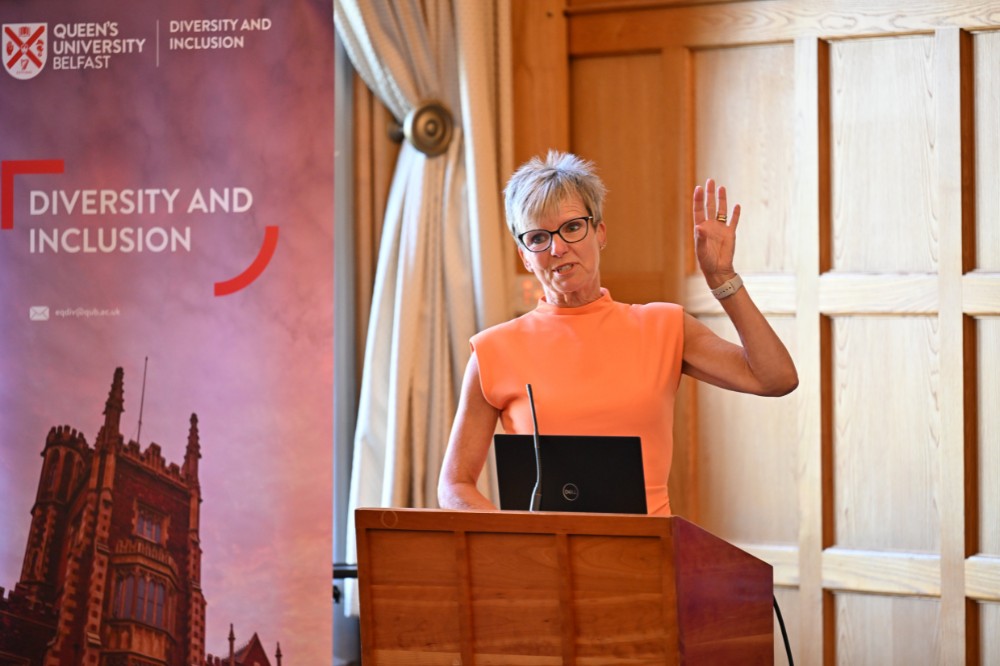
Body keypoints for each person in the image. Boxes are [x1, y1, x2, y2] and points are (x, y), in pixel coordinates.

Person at [437, 150, 798, 515]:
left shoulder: (663, 327)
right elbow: (455, 484)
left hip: (646, 557)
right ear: (525, 255)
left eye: (573, 227)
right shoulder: (493, 351)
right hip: (544, 560)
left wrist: (721, 278)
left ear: (600, 232)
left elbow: (775, 378)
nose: (558, 248)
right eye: (538, 238)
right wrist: (517, 543)